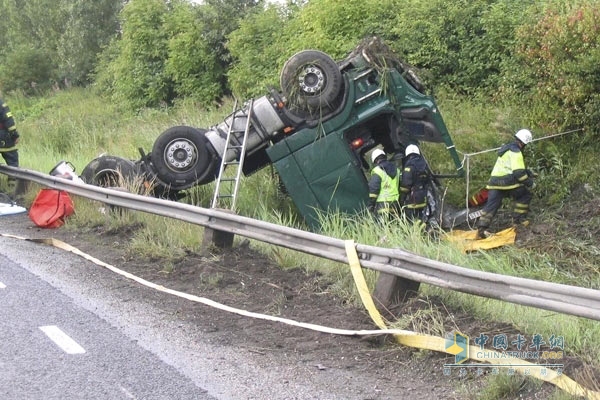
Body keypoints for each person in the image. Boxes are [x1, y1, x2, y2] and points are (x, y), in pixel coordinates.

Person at [476, 129, 534, 239]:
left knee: (492, 204)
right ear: (524, 143)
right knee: (524, 195)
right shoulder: (516, 152)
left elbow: (510, 168)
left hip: (494, 182)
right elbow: (518, 173)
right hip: (507, 182)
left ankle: (482, 229)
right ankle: (518, 220)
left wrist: (528, 172)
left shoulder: (506, 150)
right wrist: (529, 182)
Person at [399, 144, 430, 226]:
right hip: (423, 197)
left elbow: (406, 184)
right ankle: (424, 231)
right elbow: (427, 180)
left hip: (412, 200)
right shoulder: (424, 165)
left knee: (411, 221)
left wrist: (402, 198)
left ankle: (416, 234)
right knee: (421, 218)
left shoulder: (409, 166)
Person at [367, 148, 401, 220]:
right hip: (395, 203)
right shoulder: (397, 170)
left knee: (382, 228)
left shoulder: (377, 171)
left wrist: (371, 205)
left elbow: (374, 189)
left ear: (375, 160)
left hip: (382, 204)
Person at [0, 98, 20, 195]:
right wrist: (15, 135)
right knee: (12, 161)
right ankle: (12, 188)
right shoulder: (2, 104)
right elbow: (9, 120)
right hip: (4, 137)